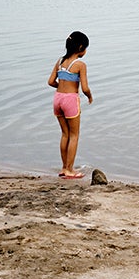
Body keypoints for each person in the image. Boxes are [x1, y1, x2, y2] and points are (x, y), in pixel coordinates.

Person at [47, 31, 93, 179]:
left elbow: (50, 82)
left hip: (57, 99)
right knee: (74, 135)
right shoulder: (80, 65)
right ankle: (70, 170)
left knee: (65, 134)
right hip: (70, 100)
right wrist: (89, 96)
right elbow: (85, 88)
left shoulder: (60, 61)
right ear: (80, 47)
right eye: (85, 47)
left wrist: (62, 88)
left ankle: (63, 167)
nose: (86, 51)